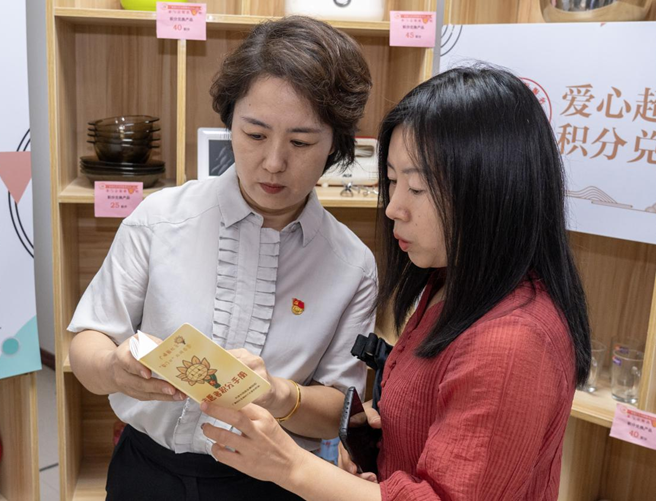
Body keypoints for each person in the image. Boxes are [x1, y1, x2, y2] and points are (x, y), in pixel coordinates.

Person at [200, 66, 592, 501]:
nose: (393, 208)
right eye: (391, 181)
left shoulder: (512, 342)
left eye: (418, 188)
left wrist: (290, 465)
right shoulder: (447, 284)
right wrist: (377, 447)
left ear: (492, 191)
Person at [67, 16, 376, 501]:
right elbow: (86, 342)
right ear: (230, 123)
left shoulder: (352, 265)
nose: (274, 162)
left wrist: (278, 394)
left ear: (335, 142)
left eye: (300, 142)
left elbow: (340, 412)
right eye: (255, 134)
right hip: (147, 471)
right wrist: (113, 367)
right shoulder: (159, 218)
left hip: (271, 483)